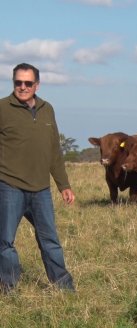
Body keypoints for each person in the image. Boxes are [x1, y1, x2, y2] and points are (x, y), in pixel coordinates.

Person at [0, 63, 76, 294]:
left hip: (41, 189)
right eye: (18, 83)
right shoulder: (2, 108)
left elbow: (54, 149)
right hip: (9, 186)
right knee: (5, 243)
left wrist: (63, 185)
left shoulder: (47, 109)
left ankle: (64, 289)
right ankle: (9, 289)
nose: (22, 87)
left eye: (28, 83)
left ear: (37, 84)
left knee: (50, 241)